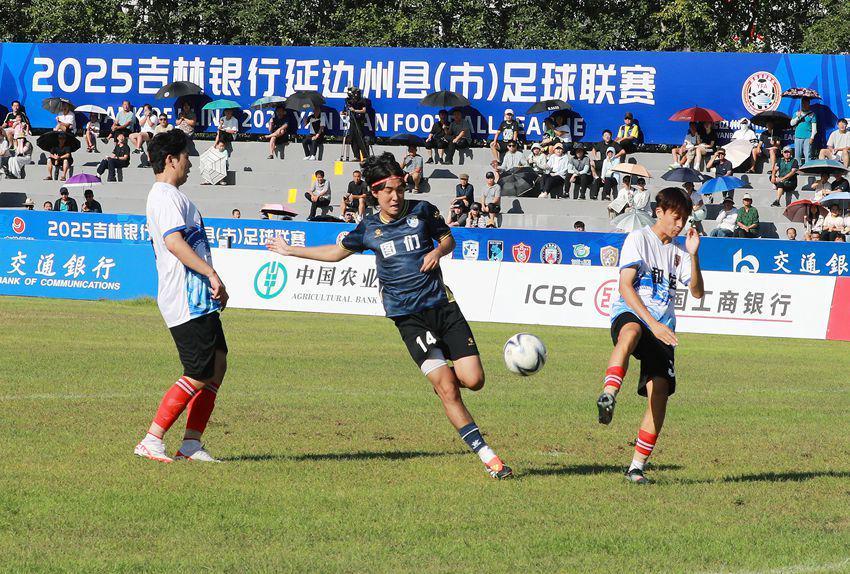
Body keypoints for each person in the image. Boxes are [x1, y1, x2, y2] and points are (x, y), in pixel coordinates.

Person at [265, 152, 513, 479]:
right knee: (449, 390)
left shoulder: (423, 211)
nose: (395, 197)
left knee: (474, 381)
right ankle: (489, 458)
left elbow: (448, 239)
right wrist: (291, 250)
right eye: (388, 191)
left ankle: (442, 380)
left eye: (400, 189)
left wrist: (437, 252)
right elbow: (336, 253)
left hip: (443, 306)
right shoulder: (368, 227)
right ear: (375, 192)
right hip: (408, 318)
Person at [595, 187, 704, 484]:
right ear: (659, 212)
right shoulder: (639, 239)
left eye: (684, 219)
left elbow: (697, 292)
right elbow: (625, 286)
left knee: (660, 394)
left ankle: (636, 468)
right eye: (675, 217)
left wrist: (694, 256)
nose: (680, 224)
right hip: (633, 312)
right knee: (630, 332)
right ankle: (609, 394)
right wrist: (651, 323)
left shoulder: (680, 253)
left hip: (662, 327)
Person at [135, 128, 228, 464]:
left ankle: (191, 444)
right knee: (199, 370)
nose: (190, 163)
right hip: (184, 297)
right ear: (171, 160)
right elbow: (174, 243)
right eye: (187, 156)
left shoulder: (175, 196)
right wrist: (210, 273)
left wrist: (212, 282)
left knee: (217, 363)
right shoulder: (164, 196)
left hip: (199, 297)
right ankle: (152, 439)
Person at [790, 97, 816, 166]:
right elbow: (791, 123)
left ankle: (808, 167)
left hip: (808, 137)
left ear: (809, 104)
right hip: (798, 136)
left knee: (808, 154)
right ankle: (797, 167)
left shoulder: (812, 114)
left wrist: (812, 137)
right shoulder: (796, 113)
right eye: (803, 103)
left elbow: (814, 128)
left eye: (806, 103)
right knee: (797, 154)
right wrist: (798, 117)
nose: (804, 105)